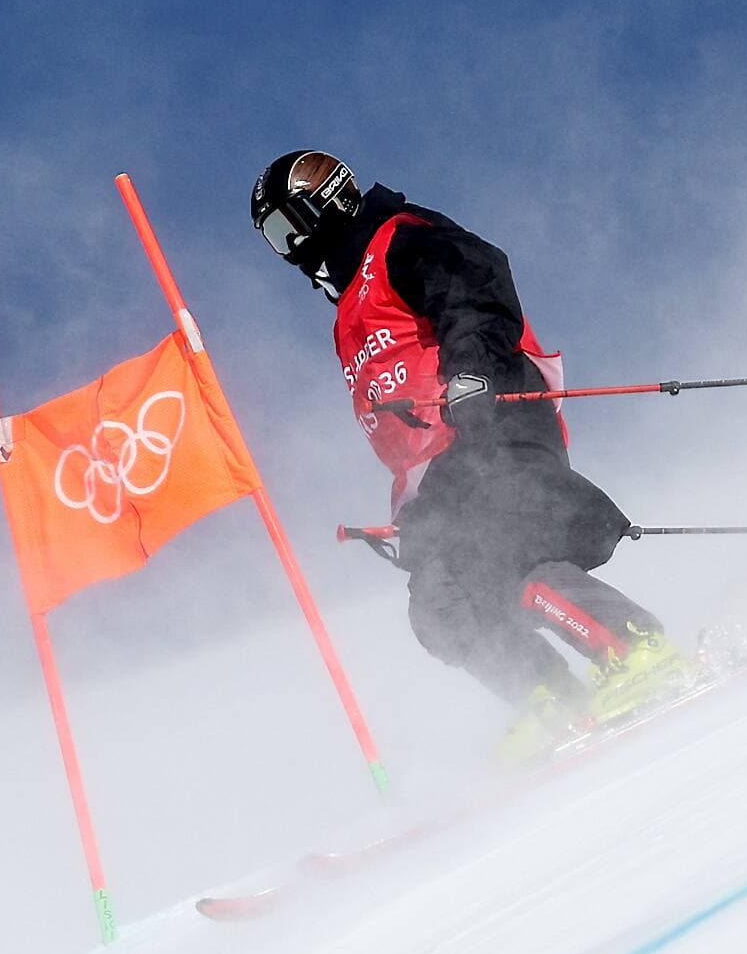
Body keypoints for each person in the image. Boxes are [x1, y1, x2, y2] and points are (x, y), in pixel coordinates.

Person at [250, 150, 687, 762]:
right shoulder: (348, 313)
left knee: (506, 547)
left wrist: (472, 374)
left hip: (490, 420)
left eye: (288, 221)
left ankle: (633, 646)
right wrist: (410, 514)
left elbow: (474, 282)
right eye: (278, 234)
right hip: (442, 471)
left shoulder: (399, 240)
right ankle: (551, 700)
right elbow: (398, 431)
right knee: (442, 600)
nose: (295, 239)